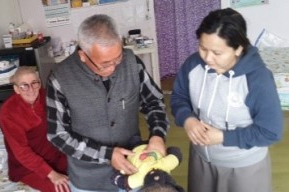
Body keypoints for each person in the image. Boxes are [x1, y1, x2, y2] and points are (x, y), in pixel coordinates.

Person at [46, 14, 169, 191]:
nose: (113, 68)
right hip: (89, 180)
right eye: (104, 64)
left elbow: (154, 102)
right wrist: (106, 154)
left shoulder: (131, 62)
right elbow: (57, 134)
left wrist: (157, 135)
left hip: (133, 169)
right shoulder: (60, 78)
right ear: (83, 55)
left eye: (117, 58)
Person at [170, 8, 283, 192]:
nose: (207, 58)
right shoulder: (193, 64)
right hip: (201, 161)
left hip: (243, 169)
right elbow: (179, 97)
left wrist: (223, 137)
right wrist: (187, 119)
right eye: (203, 48)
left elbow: (271, 131)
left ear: (238, 48)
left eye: (217, 52)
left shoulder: (258, 79)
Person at [0, 66, 70, 192]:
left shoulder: (47, 95)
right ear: (16, 89)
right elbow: (22, 153)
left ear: (40, 83)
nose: (31, 89)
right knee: (65, 189)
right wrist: (53, 175)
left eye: (34, 83)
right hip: (28, 166)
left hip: (55, 154)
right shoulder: (8, 112)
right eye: (24, 85)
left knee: (87, 175)